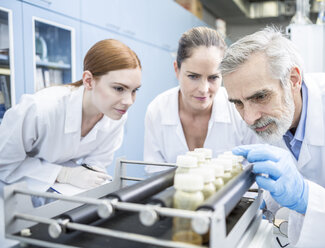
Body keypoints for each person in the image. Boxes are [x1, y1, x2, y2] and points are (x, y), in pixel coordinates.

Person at [221, 26, 325, 247]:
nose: (249, 118)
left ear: (293, 80)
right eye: (238, 103)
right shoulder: (254, 117)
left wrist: (305, 197)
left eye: (261, 97)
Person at [0, 39, 142, 196]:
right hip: (12, 197)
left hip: (59, 198)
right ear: (89, 81)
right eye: (119, 88)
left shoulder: (115, 116)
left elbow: (96, 166)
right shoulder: (41, 108)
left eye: (134, 90)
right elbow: (4, 163)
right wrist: (63, 174)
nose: (129, 101)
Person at [143, 27, 258, 172]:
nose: (204, 89)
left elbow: (255, 171)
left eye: (213, 77)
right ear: (176, 70)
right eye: (193, 76)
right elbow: (154, 172)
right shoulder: (157, 110)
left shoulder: (240, 110)